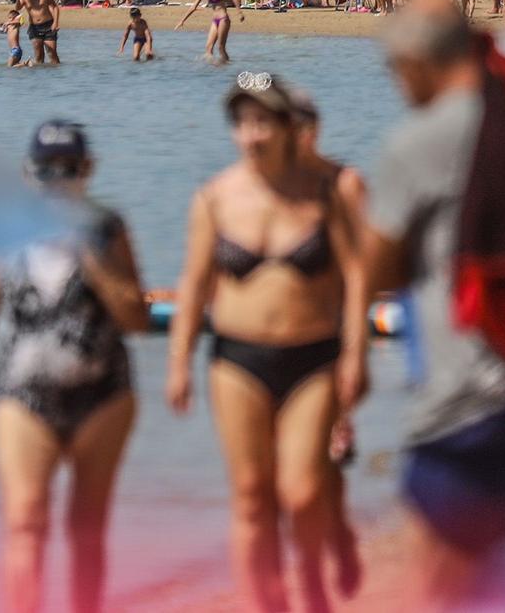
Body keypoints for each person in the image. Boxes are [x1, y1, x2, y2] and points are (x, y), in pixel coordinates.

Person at [361, 3, 505, 609]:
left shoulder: (420, 141)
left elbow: (378, 271)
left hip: (467, 402)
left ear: (417, 63)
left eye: (392, 69)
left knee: (439, 581)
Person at [167, 74, 368, 613]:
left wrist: (356, 354)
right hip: (238, 359)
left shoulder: (329, 191)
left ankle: (312, 582)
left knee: (303, 491)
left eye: (262, 122)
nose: (251, 135)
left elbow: (355, 277)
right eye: (241, 123)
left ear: (286, 128)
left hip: (313, 358)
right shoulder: (214, 199)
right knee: (252, 497)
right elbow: (193, 286)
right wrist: (179, 362)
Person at [0, 122, 148, 613]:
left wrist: (92, 259)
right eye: (46, 171)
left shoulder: (108, 228)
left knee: (86, 531)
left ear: (87, 171)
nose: (56, 181)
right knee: (25, 524)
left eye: (68, 170)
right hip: (24, 399)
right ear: (28, 174)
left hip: (103, 397)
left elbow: (136, 318)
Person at [286, 86, 369, 603]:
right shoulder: (260, 186)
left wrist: (355, 353)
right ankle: (310, 565)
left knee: (322, 464)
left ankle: (332, 537)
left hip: (328, 337)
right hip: (274, 341)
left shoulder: (342, 184)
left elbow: (362, 271)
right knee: (289, 469)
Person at [178, 0, 238, 64]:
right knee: (208, 48)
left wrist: (239, 12)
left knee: (221, 47)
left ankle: (227, 65)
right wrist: (182, 20)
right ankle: (212, 69)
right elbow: (193, 7)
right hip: (215, 20)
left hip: (223, 19)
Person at [28, 0, 62, 66]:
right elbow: (17, 8)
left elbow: (55, 7)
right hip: (34, 27)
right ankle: (40, 75)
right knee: (38, 56)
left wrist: (55, 22)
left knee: (52, 53)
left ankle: (55, 74)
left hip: (48, 25)